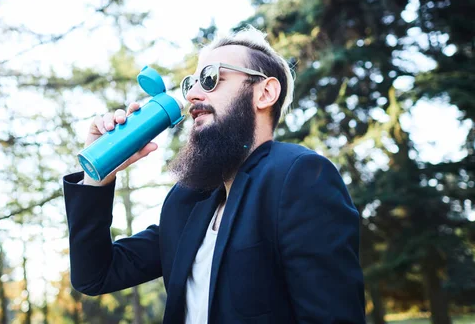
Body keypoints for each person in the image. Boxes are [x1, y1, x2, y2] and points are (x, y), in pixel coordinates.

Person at [63, 27, 366, 323]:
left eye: (210, 78)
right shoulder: (185, 203)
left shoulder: (299, 175)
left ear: (265, 93)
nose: (193, 95)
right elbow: (95, 276)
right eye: (190, 84)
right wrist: (97, 178)